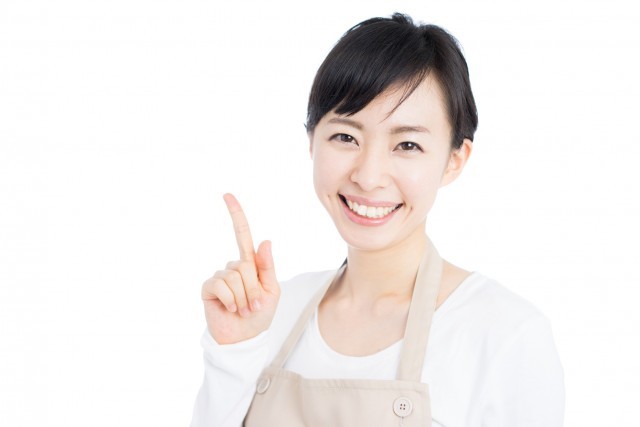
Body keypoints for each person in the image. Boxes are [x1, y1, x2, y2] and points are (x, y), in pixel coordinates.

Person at [191, 13, 564, 427]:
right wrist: (234, 350)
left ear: (454, 160)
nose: (368, 177)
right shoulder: (270, 313)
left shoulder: (506, 335)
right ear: (312, 142)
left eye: (407, 145)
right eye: (346, 137)